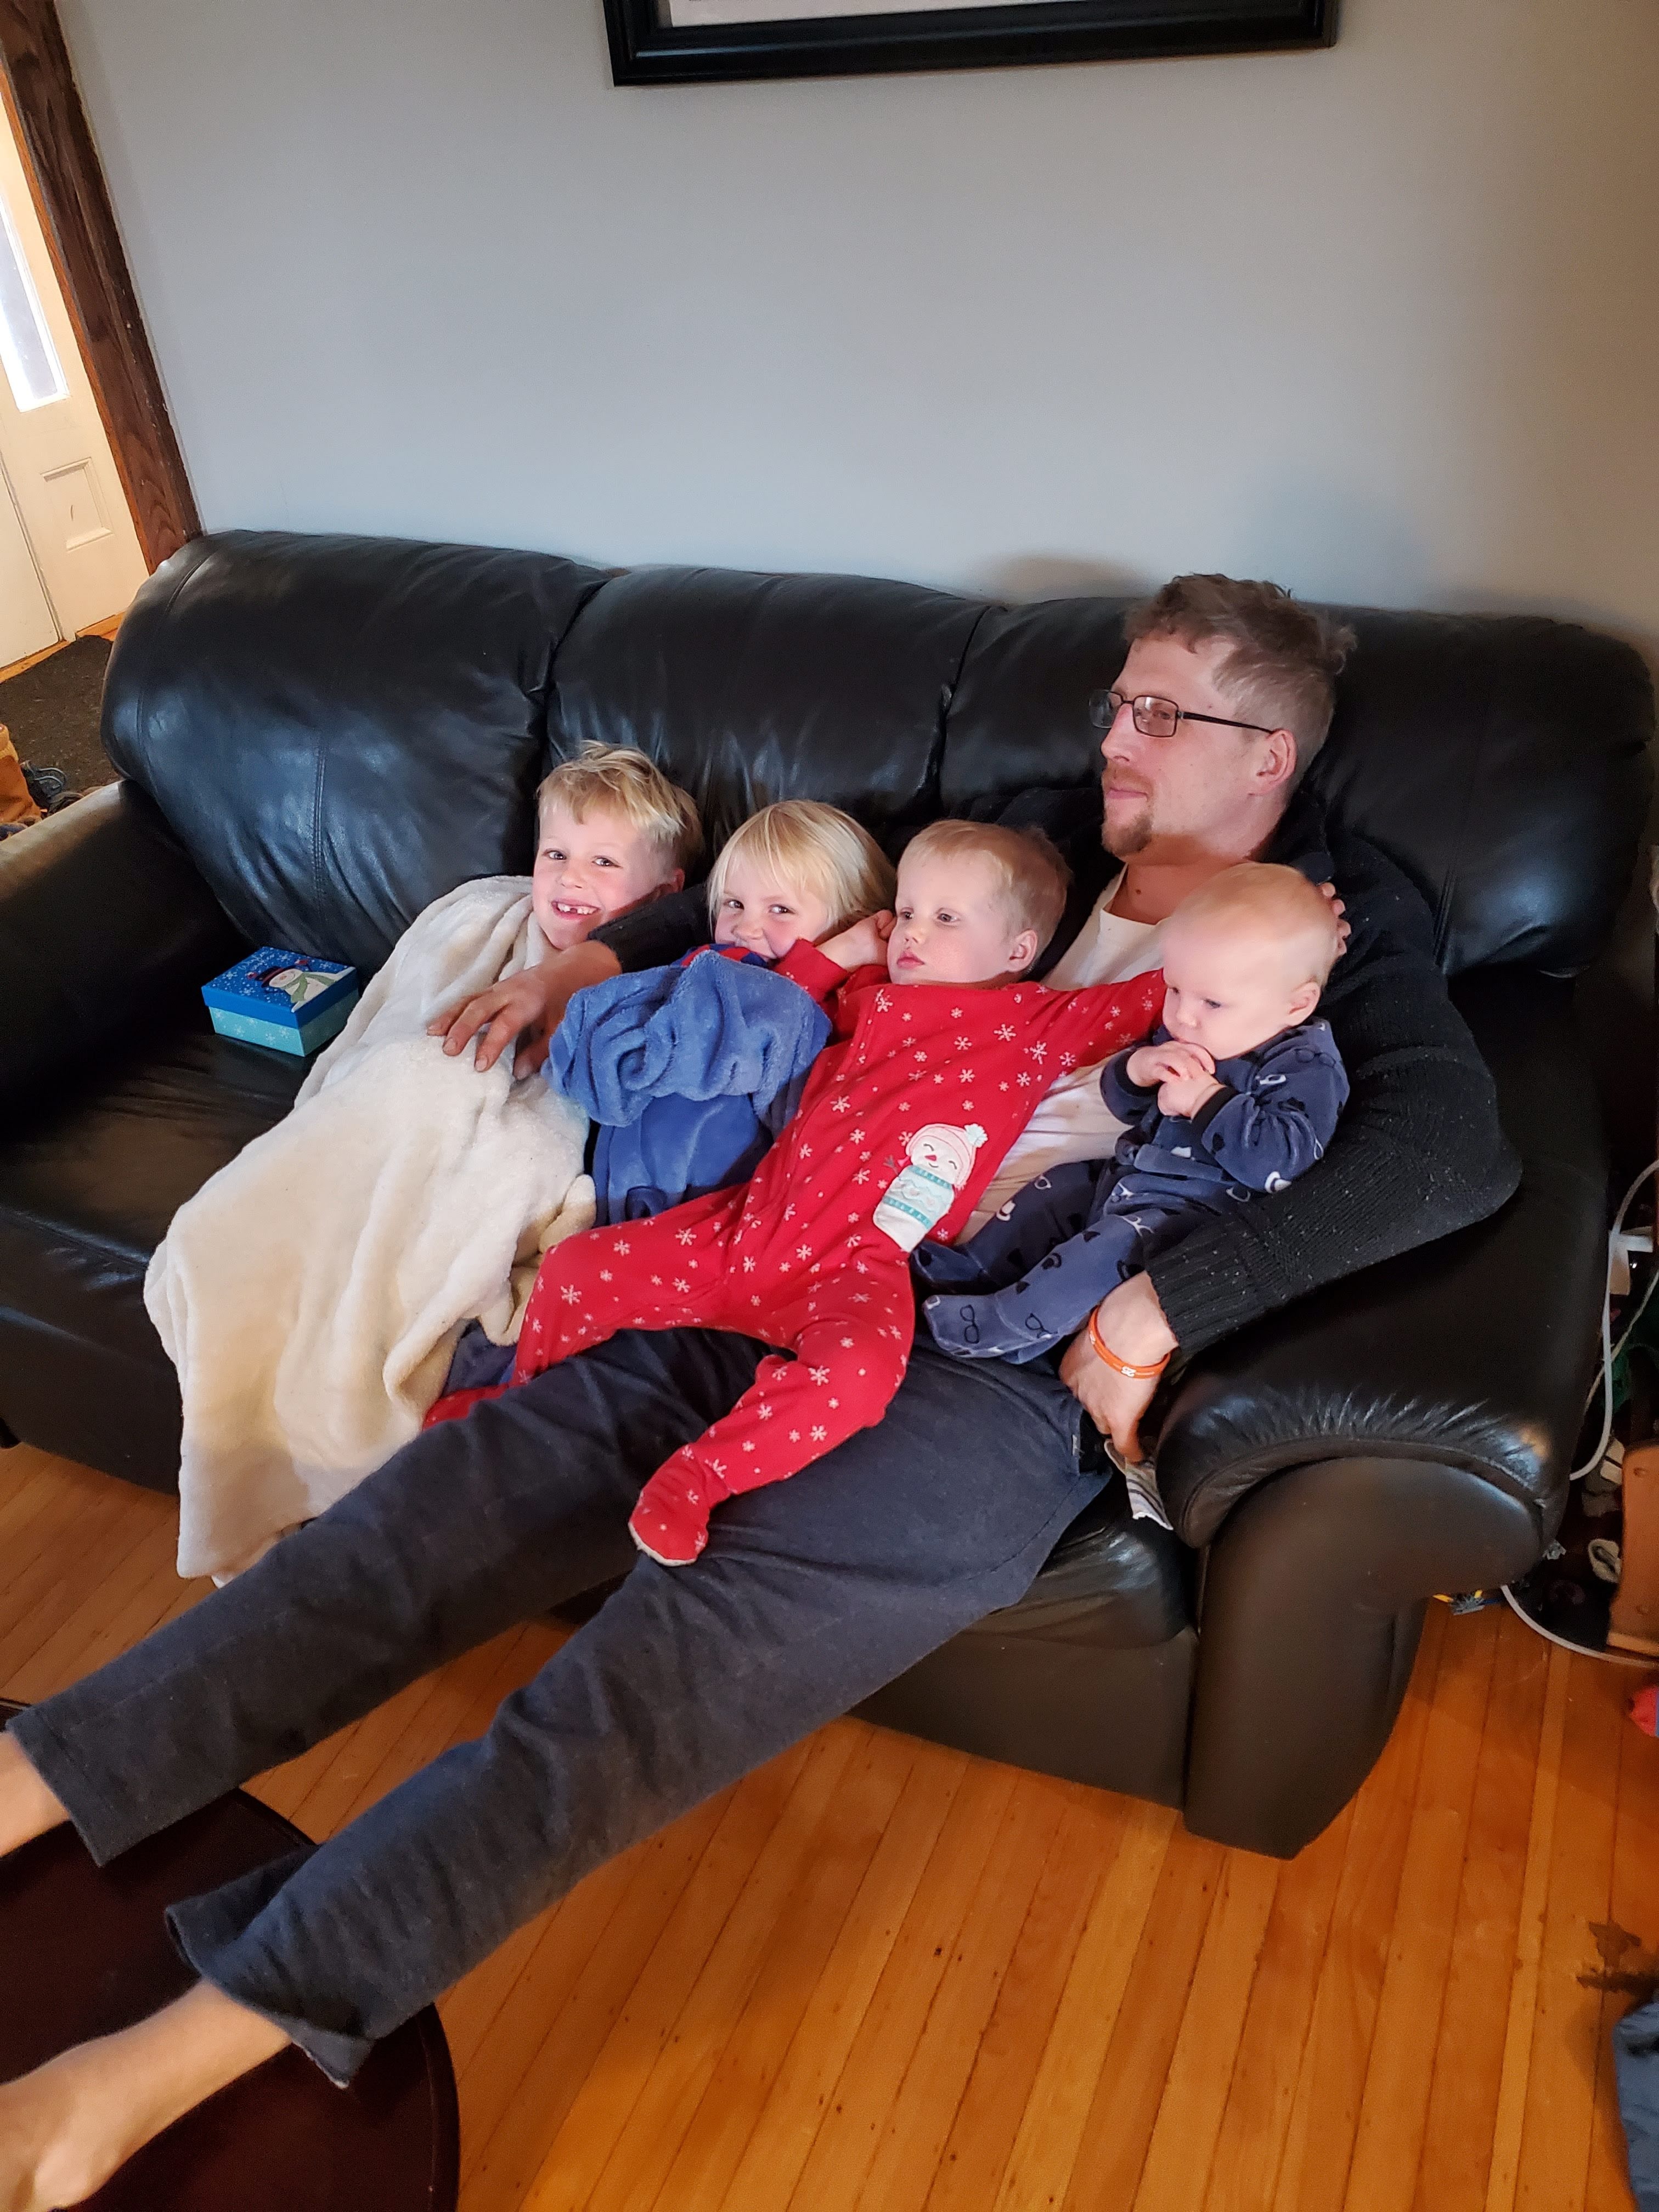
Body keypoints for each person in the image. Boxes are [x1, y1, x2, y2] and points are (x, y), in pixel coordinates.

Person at [0, 575, 1519, 2210]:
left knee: (626, 1709)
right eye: (1115, 703)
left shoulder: (1328, 919)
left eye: (1161, 713)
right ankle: (32, 1781)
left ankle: (151, 2068)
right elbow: (777, 905)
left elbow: (1454, 1151)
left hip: (984, 1374)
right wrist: (584, 967)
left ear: (1271, 752)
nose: (1114, 738)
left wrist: (1162, 1307)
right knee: (411, 1526)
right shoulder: (1028, 836)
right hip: (777, 1252)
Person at [433, 819, 1162, 1564]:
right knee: (576, 1267)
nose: (913, 932)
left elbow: (1164, 992)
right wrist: (846, 951)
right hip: (746, 1226)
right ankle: (515, 1389)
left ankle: (698, 1480)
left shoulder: (1039, 1023)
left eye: (946, 918)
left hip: (857, 1268)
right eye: (908, 911)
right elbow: (779, 999)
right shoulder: (868, 995)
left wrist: (1202, 1010)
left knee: (862, 1376)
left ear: (1018, 951)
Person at [920, 859, 1347, 1367]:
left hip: (1188, 1221)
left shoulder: (1305, 1065)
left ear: (1296, 1005)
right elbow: (1126, 1106)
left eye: (1212, 1003)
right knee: (1057, 1189)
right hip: (1126, 1177)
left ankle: (1004, 1327)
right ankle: (976, 1267)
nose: (1182, 1015)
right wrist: (1137, 1071)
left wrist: (1205, 1101)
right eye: (1175, 990)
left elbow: (1283, 1162)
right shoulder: (1194, 1031)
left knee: (1103, 1251)